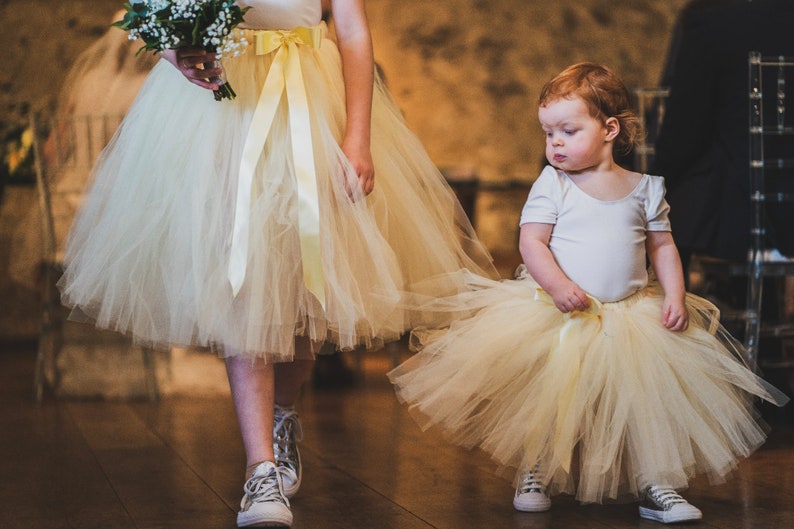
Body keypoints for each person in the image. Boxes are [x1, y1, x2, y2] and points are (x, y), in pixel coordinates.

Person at [58, 0, 496, 527]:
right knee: (245, 275)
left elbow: (353, 31)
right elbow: (158, 13)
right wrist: (177, 49)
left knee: (306, 284)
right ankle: (260, 467)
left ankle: (282, 416)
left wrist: (358, 135)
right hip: (225, 109)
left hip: (310, 102)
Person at [389, 63, 788, 524]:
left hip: (633, 315)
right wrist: (559, 286)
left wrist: (676, 295)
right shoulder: (553, 184)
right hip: (563, 313)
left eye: (567, 130)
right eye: (547, 132)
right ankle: (535, 467)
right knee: (549, 398)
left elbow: (663, 248)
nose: (554, 142)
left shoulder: (644, 188)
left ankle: (657, 482)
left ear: (609, 130)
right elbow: (531, 243)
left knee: (646, 403)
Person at [651, 0, 794, 273]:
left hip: (747, 217)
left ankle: (677, 307)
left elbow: (684, 131)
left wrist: (653, 181)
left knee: (662, 209)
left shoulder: (713, 24)